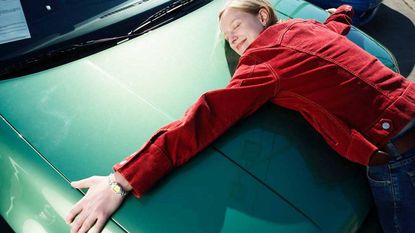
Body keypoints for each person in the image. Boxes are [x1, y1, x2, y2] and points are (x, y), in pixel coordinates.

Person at [66, 0, 415, 233]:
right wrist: (342, 12)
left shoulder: (265, 61)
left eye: (235, 24)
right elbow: (336, 24)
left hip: (397, 156)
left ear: (263, 15)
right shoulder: (307, 28)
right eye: (227, 36)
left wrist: (121, 181)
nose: (231, 37)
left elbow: (204, 118)